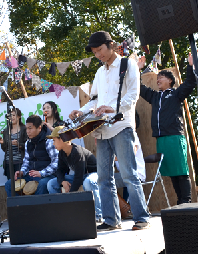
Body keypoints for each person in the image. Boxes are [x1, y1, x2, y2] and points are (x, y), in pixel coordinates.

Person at [69, 31, 150, 231]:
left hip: (121, 126)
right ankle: (111, 220)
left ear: (111, 45)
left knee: (129, 174)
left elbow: (133, 94)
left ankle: (142, 218)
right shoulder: (99, 72)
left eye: (100, 50)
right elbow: (95, 100)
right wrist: (82, 111)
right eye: (94, 52)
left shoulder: (127, 64)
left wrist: (113, 107)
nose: (98, 55)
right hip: (101, 129)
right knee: (104, 177)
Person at [139, 52, 196, 205]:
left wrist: (191, 66)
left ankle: (186, 201)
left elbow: (190, 83)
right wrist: (138, 69)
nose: (158, 79)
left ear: (170, 80)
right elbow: (139, 87)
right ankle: (180, 202)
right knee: (171, 172)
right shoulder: (154, 96)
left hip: (175, 137)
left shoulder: (177, 94)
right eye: (157, 78)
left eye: (161, 77)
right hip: (161, 139)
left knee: (181, 171)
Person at [46, 126, 102, 222]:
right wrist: (62, 181)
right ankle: (60, 213)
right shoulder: (62, 152)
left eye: (54, 140)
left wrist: (70, 196)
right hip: (81, 177)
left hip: (93, 175)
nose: (53, 143)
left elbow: (79, 177)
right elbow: (60, 170)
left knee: (88, 182)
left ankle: (98, 215)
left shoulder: (77, 152)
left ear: (62, 139)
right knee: (51, 183)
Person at [5, 115, 58, 196]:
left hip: (48, 175)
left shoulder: (49, 141)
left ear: (39, 128)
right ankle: (20, 207)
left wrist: (41, 173)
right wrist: (22, 172)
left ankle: (37, 208)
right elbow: (26, 161)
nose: (27, 131)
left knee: (42, 184)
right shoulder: (28, 143)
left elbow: (56, 162)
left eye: (30, 128)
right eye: (26, 128)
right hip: (32, 175)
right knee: (9, 184)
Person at [0, 108, 28, 179]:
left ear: (19, 116)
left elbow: (28, 145)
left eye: (14, 115)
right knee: (10, 184)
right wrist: (2, 143)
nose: (12, 117)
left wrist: (18, 145)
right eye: (10, 115)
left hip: (20, 161)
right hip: (8, 162)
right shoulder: (6, 131)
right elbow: (4, 149)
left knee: (21, 185)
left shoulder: (24, 129)